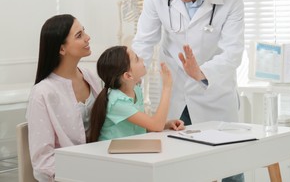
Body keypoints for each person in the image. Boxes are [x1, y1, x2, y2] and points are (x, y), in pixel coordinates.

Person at [132, 0, 245, 182]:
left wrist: (201, 71)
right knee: (181, 171)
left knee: (229, 169)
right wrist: (127, 80)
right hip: (175, 93)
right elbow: (144, 41)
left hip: (213, 92)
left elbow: (233, 52)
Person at [26, 14, 102, 182]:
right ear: (61, 49)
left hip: (99, 167)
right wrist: (83, 174)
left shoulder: (91, 78)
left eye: (84, 32)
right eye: (79, 35)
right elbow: (43, 162)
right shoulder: (43, 93)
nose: (88, 38)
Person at [88, 46, 184, 142]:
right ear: (128, 76)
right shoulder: (117, 102)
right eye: (137, 59)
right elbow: (156, 125)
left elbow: (147, 125)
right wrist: (167, 87)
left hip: (132, 149)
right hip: (113, 152)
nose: (142, 59)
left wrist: (166, 124)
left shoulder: (136, 90)